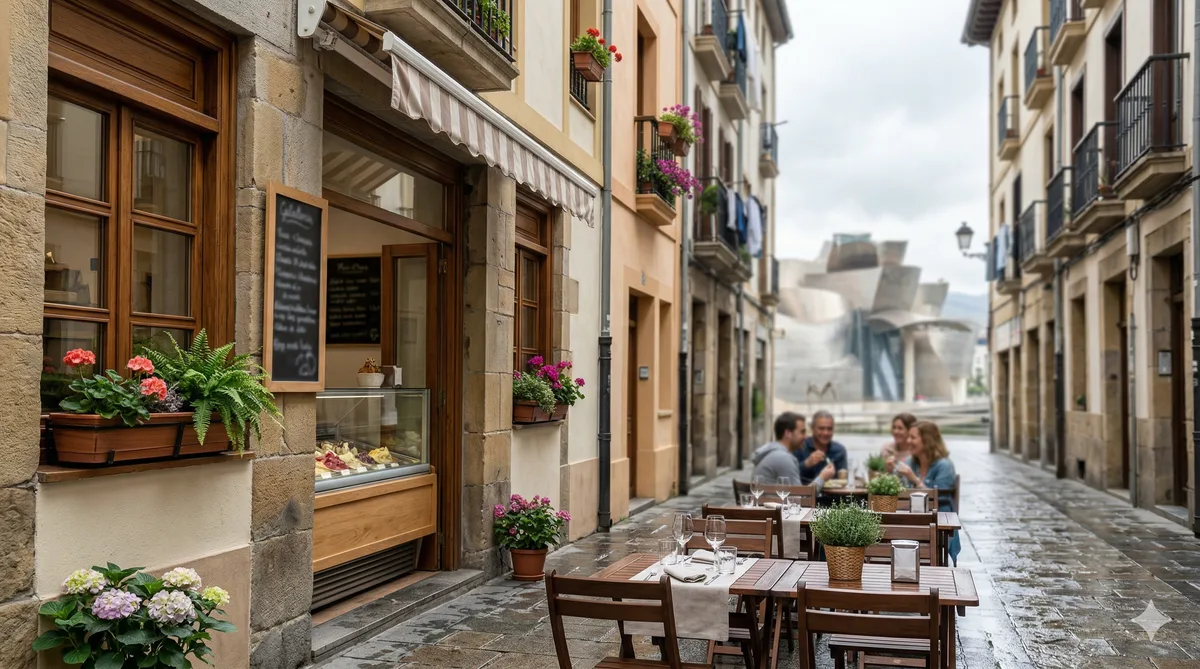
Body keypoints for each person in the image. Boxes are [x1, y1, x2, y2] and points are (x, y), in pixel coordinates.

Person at [896, 420, 960, 564]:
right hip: (910, 520)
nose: (908, 441)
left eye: (913, 437)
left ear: (927, 440)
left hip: (938, 523)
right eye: (909, 437)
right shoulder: (910, 462)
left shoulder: (944, 465)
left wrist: (914, 479)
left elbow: (939, 498)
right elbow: (896, 486)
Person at [794, 410, 847, 485]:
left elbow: (843, 480)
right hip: (804, 494)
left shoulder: (840, 450)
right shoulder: (800, 447)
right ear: (812, 428)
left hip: (832, 495)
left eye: (829, 429)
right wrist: (806, 464)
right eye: (821, 428)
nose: (826, 433)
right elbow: (788, 476)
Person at [751, 412, 805, 482]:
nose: (805, 436)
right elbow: (799, 492)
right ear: (788, 433)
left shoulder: (773, 453)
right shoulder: (783, 458)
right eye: (802, 432)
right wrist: (822, 476)